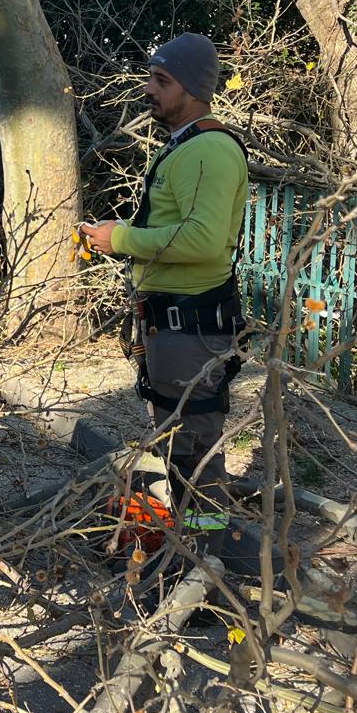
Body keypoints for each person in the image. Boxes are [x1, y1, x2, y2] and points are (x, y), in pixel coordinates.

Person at [80, 33, 249, 556]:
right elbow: (179, 226)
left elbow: (201, 238)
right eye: (151, 76)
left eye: (162, 80)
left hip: (191, 325)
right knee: (180, 446)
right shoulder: (186, 146)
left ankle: (207, 566)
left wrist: (121, 239)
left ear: (194, 89)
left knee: (197, 453)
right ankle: (189, 551)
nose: (149, 88)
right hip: (172, 324)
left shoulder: (212, 151)